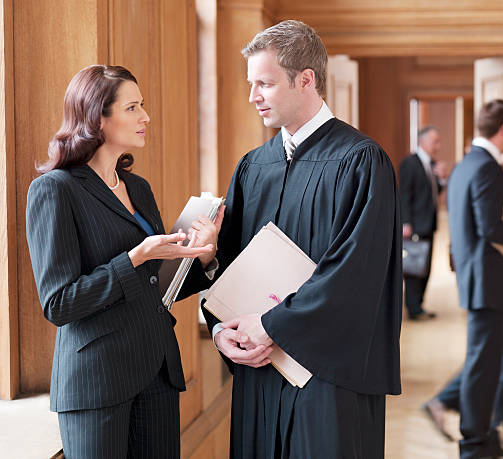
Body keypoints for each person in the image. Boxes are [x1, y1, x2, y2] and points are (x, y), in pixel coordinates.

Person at [201, 20, 402, 459]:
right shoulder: (254, 166)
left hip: (327, 377)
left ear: (305, 79)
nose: (253, 96)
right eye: (251, 83)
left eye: (265, 84)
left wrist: (272, 326)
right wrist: (221, 330)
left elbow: (354, 276)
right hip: (257, 369)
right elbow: (230, 267)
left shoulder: (361, 162)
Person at [26, 65, 223, 458]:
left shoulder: (137, 187)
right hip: (96, 383)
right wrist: (135, 257)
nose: (145, 117)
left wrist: (203, 256)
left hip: (157, 373)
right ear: (98, 118)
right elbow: (59, 303)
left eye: (143, 105)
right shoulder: (54, 190)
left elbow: (156, 287)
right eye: (132, 107)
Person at [423, 137, 503, 453]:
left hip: (495, 282)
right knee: (487, 360)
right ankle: (474, 436)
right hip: (489, 283)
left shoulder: (471, 168)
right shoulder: (483, 170)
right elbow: (489, 227)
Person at [399, 125, 448, 320]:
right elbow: (404, 194)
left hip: (429, 223)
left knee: (425, 267)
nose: (438, 146)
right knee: (414, 267)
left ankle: (418, 304)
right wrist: (405, 222)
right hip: (415, 224)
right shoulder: (409, 163)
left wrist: (442, 179)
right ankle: (413, 307)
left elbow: (433, 192)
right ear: (422, 141)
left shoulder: (432, 164)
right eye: (434, 141)